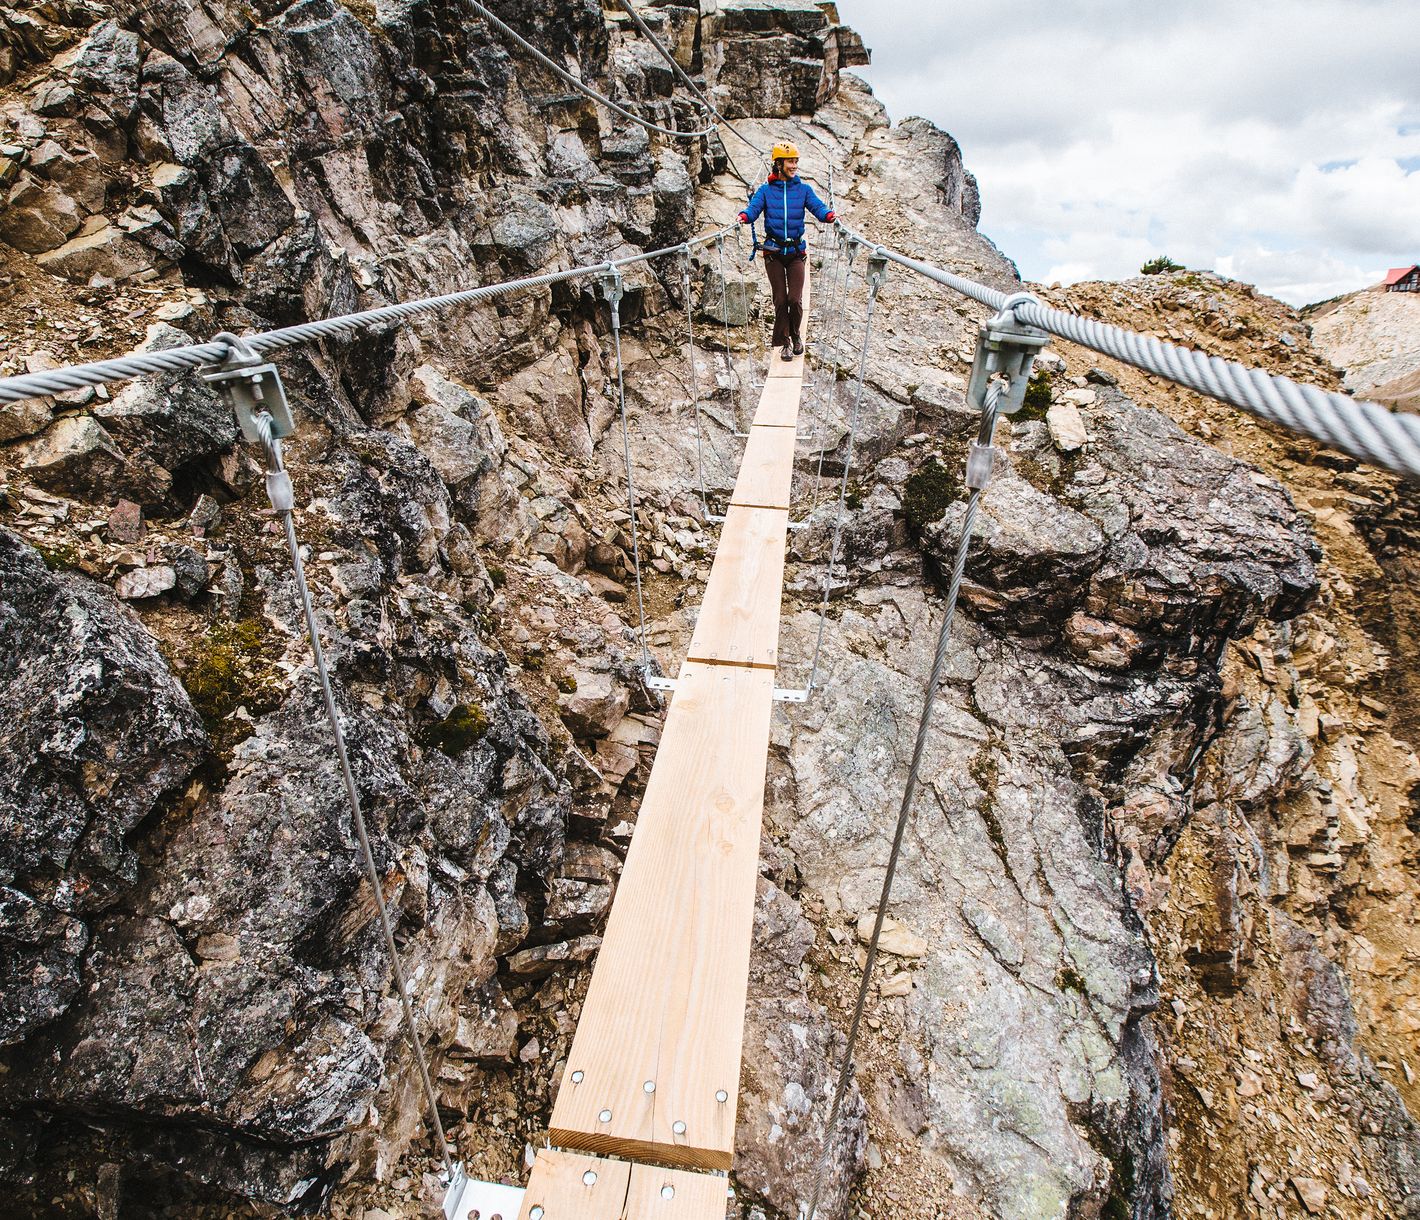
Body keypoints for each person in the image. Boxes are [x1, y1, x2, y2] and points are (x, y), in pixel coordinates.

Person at [738, 142, 835, 360]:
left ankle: (796, 333)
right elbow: (753, 210)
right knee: (780, 300)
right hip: (773, 252)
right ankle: (785, 343)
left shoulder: (803, 190)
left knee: (795, 299)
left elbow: (818, 208)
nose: (794, 166)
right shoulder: (765, 191)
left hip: (795, 252)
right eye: (791, 161)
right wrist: (744, 217)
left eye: (796, 161)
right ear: (779, 164)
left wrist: (829, 215)